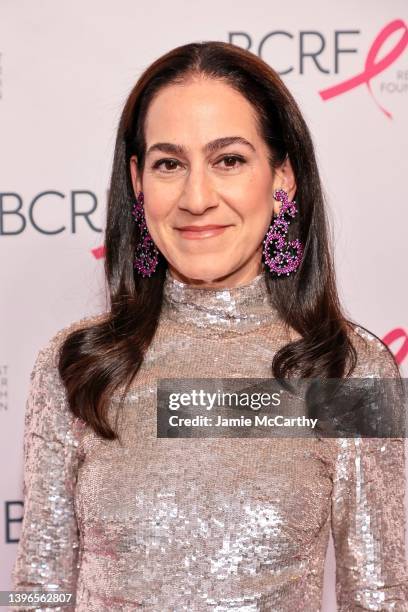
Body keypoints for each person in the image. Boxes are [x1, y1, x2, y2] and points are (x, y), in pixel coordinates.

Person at [11, 41, 408, 611]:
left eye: (229, 160)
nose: (197, 198)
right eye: (169, 163)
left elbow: (381, 599)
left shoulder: (345, 370)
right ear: (138, 181)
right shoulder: (79, 364)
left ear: (283, 179)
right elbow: (40, 591)